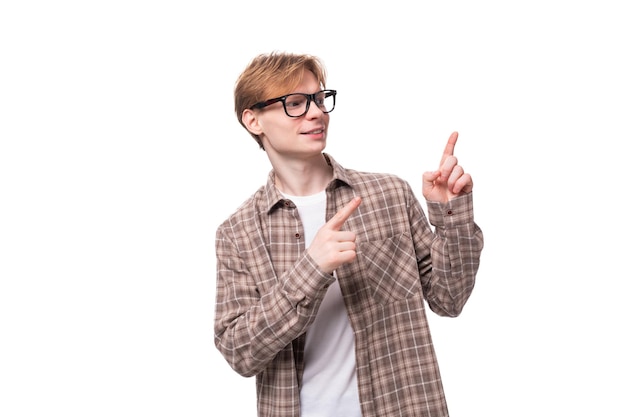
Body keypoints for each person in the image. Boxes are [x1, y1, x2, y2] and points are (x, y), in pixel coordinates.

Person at [213, 51, 484, 417]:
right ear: (253, 119)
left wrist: (452, 216)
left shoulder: (388, 194)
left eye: (319, 99)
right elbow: (240, 352)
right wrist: (312, 268)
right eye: (295, 103)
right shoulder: (238, 232)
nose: (316, 113)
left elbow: (449, 300)